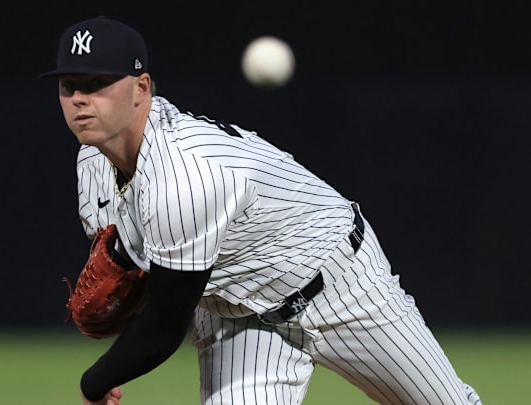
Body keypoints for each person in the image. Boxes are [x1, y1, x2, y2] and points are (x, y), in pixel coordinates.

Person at [40, 16, 482, 405]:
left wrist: (96, 381)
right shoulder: (93, 165)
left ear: (141, 89)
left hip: (339, 284)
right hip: (236, 315)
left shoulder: (186, 174)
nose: (80, 98)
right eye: (69, 85)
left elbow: (164, 324)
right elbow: (147, 279)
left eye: (97, 84)